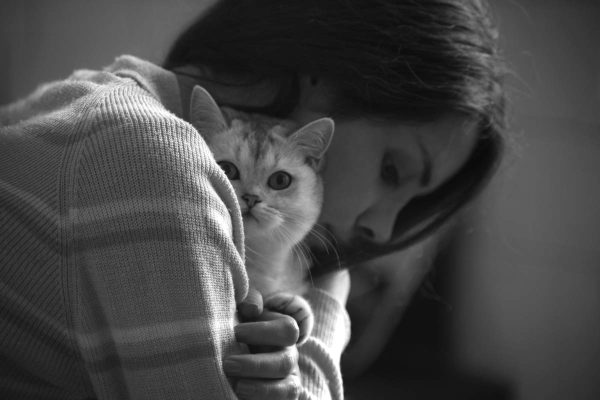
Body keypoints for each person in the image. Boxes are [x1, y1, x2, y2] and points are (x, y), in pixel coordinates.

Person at [0, 1, 505, 399]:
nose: (384, 232)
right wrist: (329, 312)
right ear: (327, 79)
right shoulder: (151, 162)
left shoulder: (100, 97)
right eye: (393, 170)